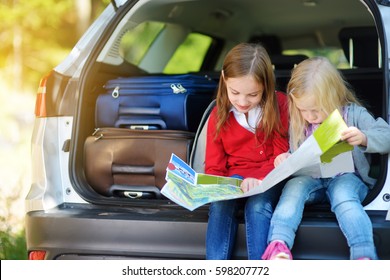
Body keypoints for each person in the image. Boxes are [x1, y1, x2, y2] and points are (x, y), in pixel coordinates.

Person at [261, 56, 390, 260]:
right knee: (292, 192)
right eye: (303, 110)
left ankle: (363, 255)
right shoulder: (299, 122)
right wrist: (286, 158)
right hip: (312, 180)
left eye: (315, 109)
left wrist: (364, 138)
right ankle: (278, 246)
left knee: (343, 197)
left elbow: (386, 135)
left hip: (346, 177)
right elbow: (297, 155)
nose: (309, 116)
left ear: (334, 96)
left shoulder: (353, 114)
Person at [205, 43, 289, 260]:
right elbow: (214, 165)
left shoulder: (280, 105)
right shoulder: (218, 115)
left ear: (266, 85)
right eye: (234, 92)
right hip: (234, 178)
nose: (242, 101)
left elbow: (281, 154)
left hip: (270, 177)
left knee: (258, 205)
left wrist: (258, 179)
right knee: (220, 204)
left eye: (252, 94)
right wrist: (212, 188)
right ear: (224, 78)